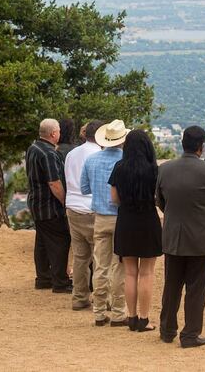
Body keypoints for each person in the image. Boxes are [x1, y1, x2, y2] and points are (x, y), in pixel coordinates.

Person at [156, 125, 205, 348]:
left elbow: (160, 200)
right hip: (201, 237)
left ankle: (167, 330)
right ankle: (190, 334)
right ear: (201, 146)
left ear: (182, 143)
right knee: (196, 288)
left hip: (174, 236)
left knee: (172, 285)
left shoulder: (165, 169)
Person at [108, 128, 163, 332]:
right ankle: (144, 319)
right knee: (146, 273)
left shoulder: (119, 167)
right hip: (148, 220)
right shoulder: (153, 169)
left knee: (130, 273)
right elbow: (159, 197)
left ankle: (130, 318)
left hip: (126, 221)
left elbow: (114, 198)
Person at [80, 119, 128, 328]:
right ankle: (118, 311)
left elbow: (84, 188)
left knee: (100, 265)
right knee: (120, 266)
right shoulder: (125, 161)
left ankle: (99, 311)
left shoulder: (91, 161)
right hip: (120, 217)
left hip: (100, 217)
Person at [25, 118, 72, 293]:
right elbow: (54, 183)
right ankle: (60, 281)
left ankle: (43, 278)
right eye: (58, 130)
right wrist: (65, 202)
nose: (60, 133)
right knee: (61, 241)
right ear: (53, 134)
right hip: (50, 206)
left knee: (42, 242)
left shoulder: (33, 148)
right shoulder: (49, 154)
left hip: (36, 203)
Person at [64, 120, 101, 311]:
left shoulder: (71, 154)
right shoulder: (98, 155)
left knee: (80, 257)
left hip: (73, 207)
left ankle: (79, 297)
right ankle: (102, 298)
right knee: (100, 258)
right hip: (92, 208)